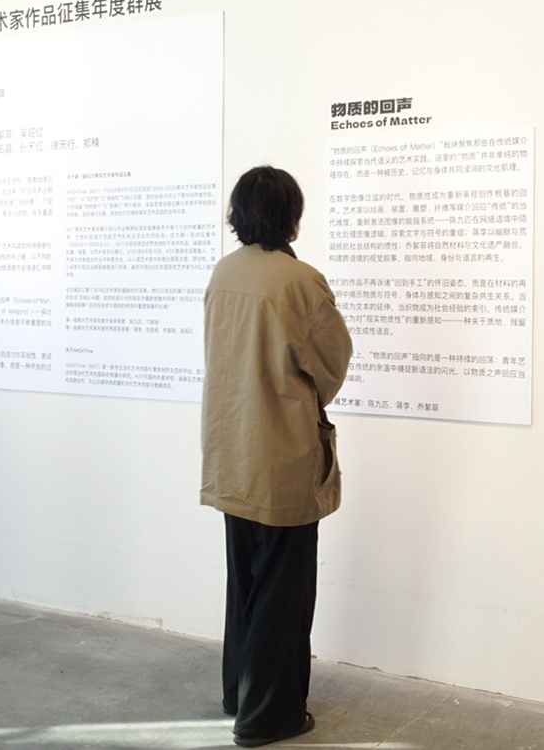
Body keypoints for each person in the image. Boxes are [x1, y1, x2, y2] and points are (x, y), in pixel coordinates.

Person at [200, 165, 353, 747]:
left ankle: (239, 694)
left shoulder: (224, 272)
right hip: (281, 453)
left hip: (231, 450)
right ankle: (267, 717)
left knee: (244, 582)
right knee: (283, 593)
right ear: (291, 215)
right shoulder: (300, 281)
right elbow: (331, 364)